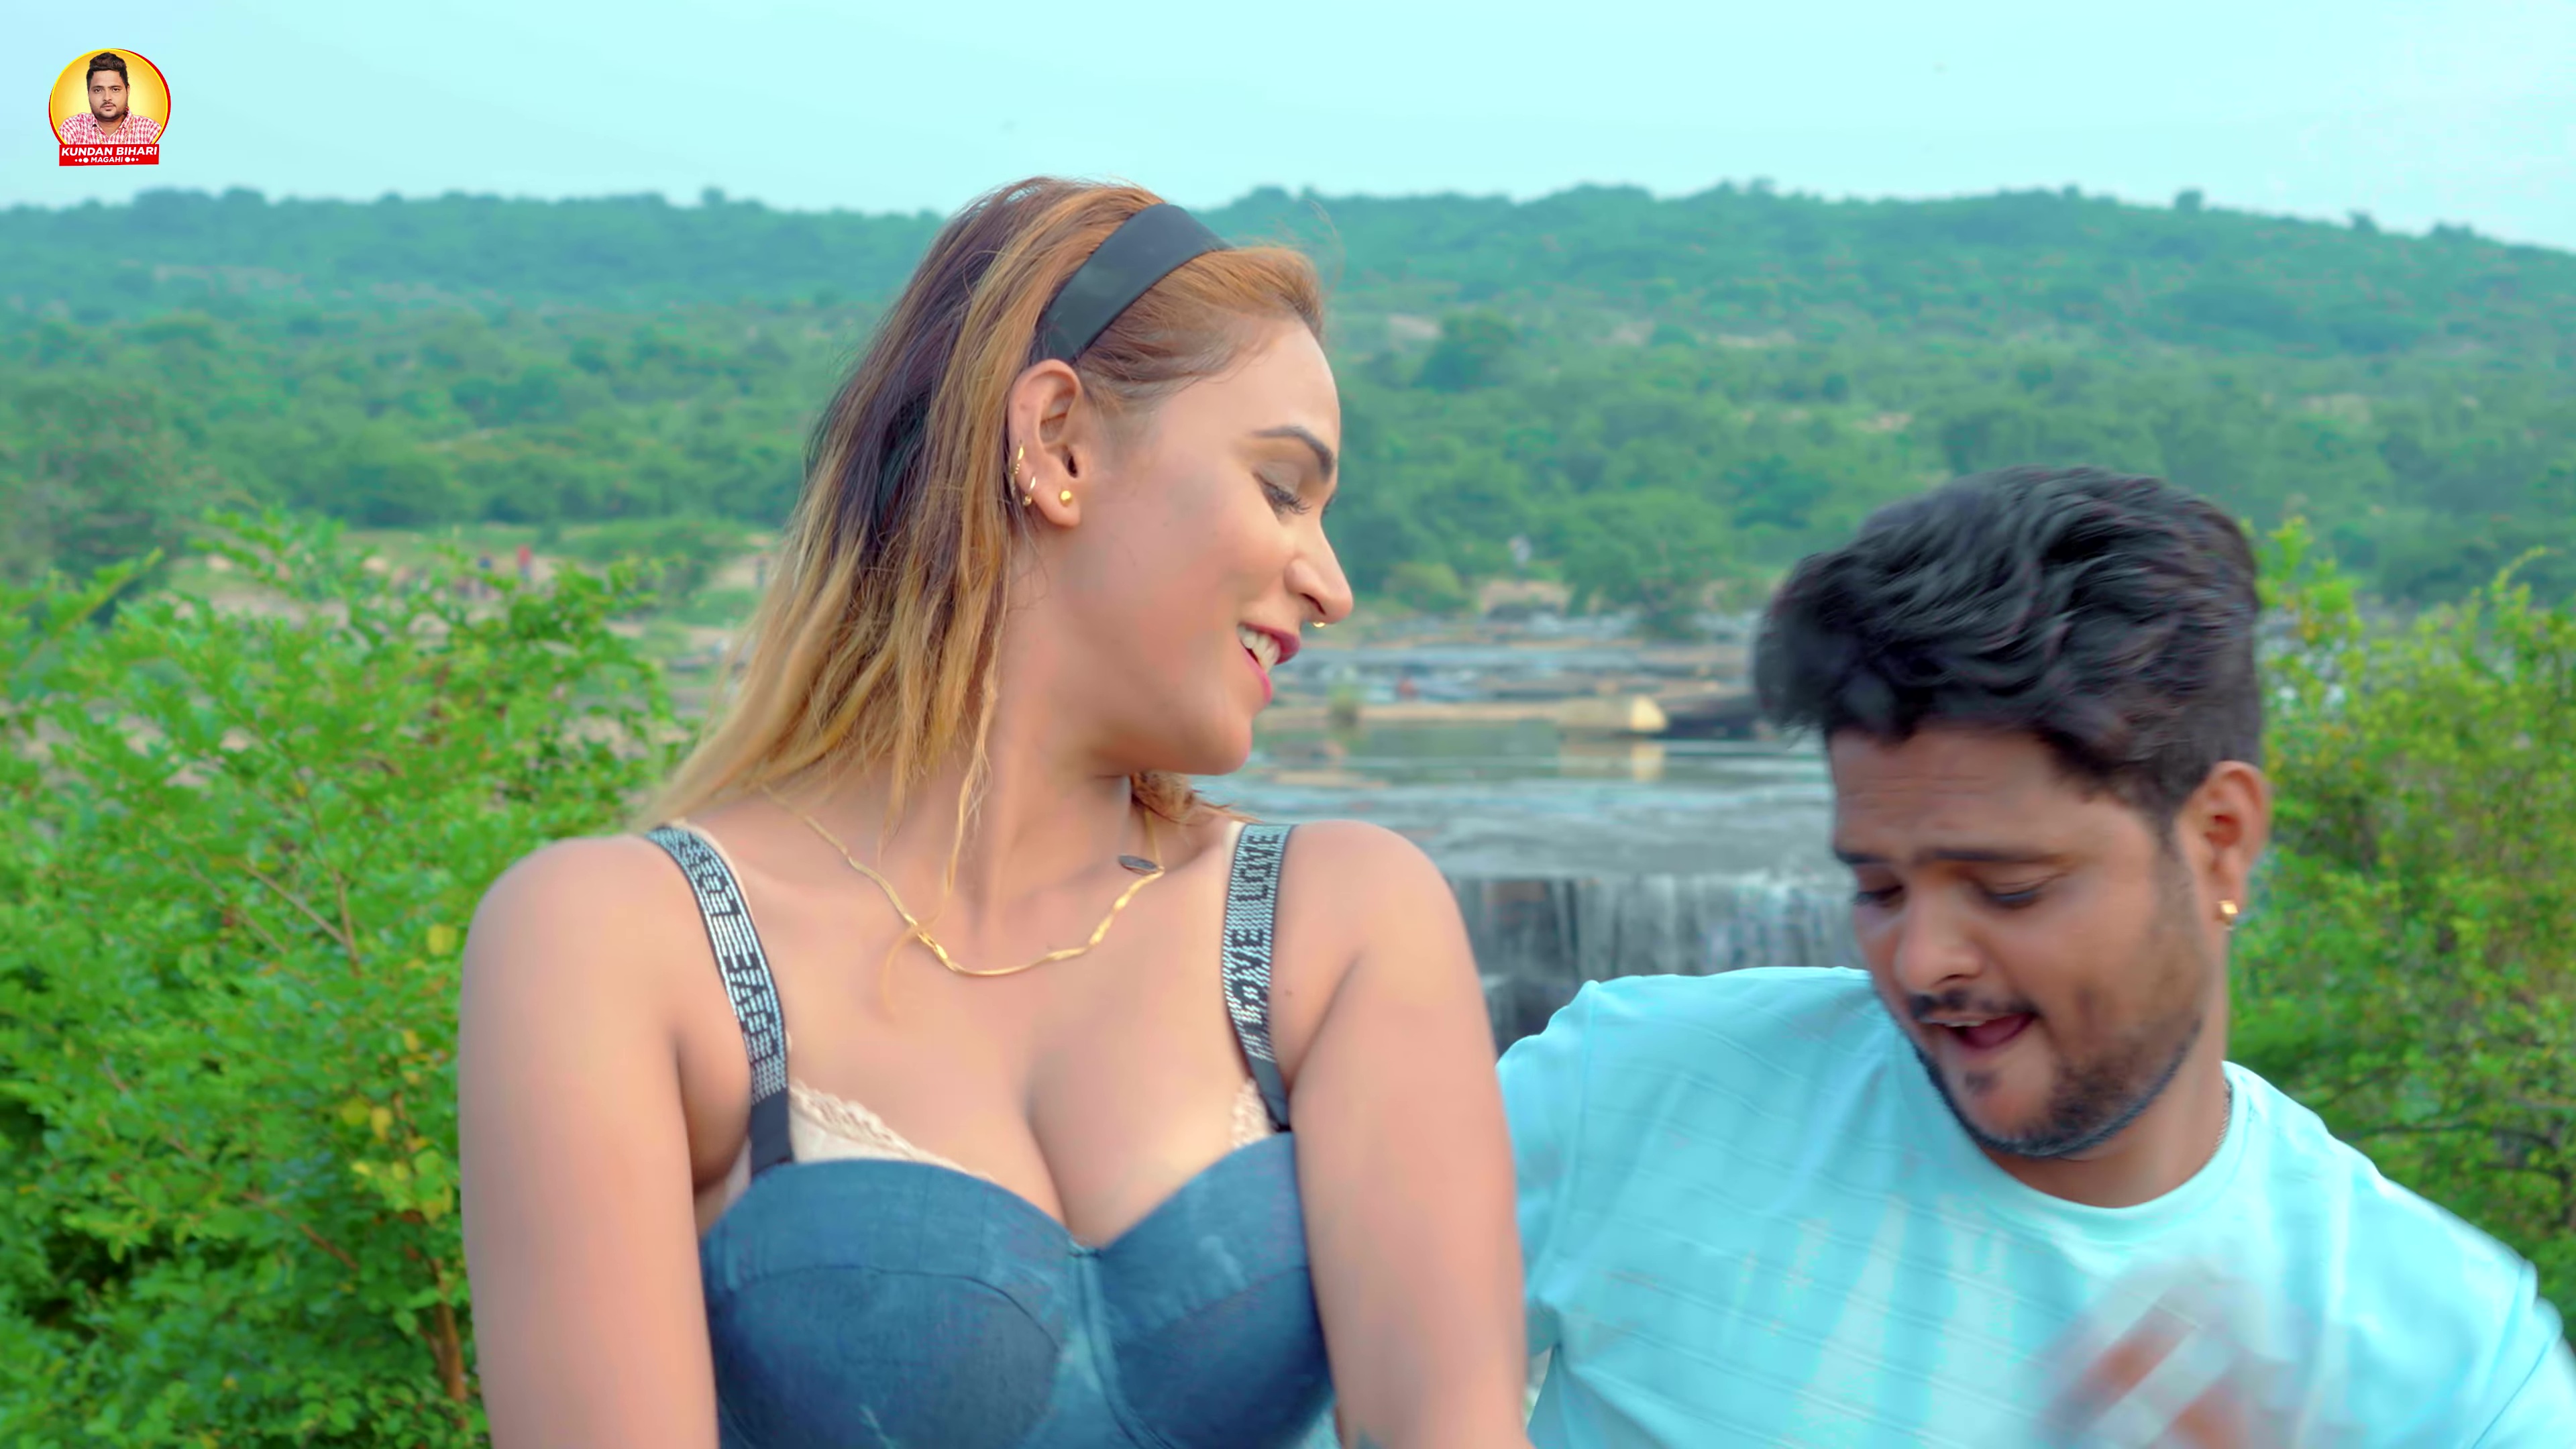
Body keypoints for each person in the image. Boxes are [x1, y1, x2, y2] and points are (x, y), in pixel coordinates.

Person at [460, 179, 1530, 1449]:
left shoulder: (1338, 924)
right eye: (1283, 488)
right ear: (1059, 442)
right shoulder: (622, 943)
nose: (1332, 585)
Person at [1499, 466, 2576, 1446]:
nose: (1922, 961)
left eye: (2009, 888)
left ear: (2220, 839)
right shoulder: (1626, 1092)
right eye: (1879, 889)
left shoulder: (2450, 1365)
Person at [58, 54, 160, 146]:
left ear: (128, 90)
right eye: (98, 90)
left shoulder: (149, 130)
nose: (107, 98)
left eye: (115, 89)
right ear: (88, 93)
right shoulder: (73, 128)